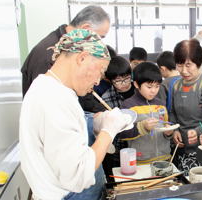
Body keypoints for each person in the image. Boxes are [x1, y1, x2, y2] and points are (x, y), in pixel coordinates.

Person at [19, 29, 130, 200]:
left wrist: (95, 122)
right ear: (82, 58)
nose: (98, 81)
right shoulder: (54, 98)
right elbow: (79, 175)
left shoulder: (48, 87)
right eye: (100, 71)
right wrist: (108, 131)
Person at [21, 5, 110, 97]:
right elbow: (49, 98)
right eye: (100, 37)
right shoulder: (49, 53)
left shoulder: (68, 46)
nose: (100, 43)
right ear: (85, 29)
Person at [170, 39, 202, 172]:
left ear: (199, 62)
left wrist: (197, 131)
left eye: (188, 65)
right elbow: (173, 113)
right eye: (179, 65)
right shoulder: (176, 85)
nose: (184, 70)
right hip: (181, 147)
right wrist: (175, 131)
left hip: (201, 148)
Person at [118, 62, 173, 165]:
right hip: (140, 162)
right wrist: (142, 127)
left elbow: (165, 127)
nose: (153, 91)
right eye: (149, 87)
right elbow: (122, 134)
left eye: (157, 86)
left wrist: (168, 133)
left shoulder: (161, 104)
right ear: (136, 84)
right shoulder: (128, 106)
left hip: (164, 159)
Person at [101, 56, 135, 180]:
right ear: (110, 81)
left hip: (141, 146)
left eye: (127, 78)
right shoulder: (106, 98)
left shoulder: (138, 89)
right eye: (118, 81)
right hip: (119, 150)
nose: (124, 84)